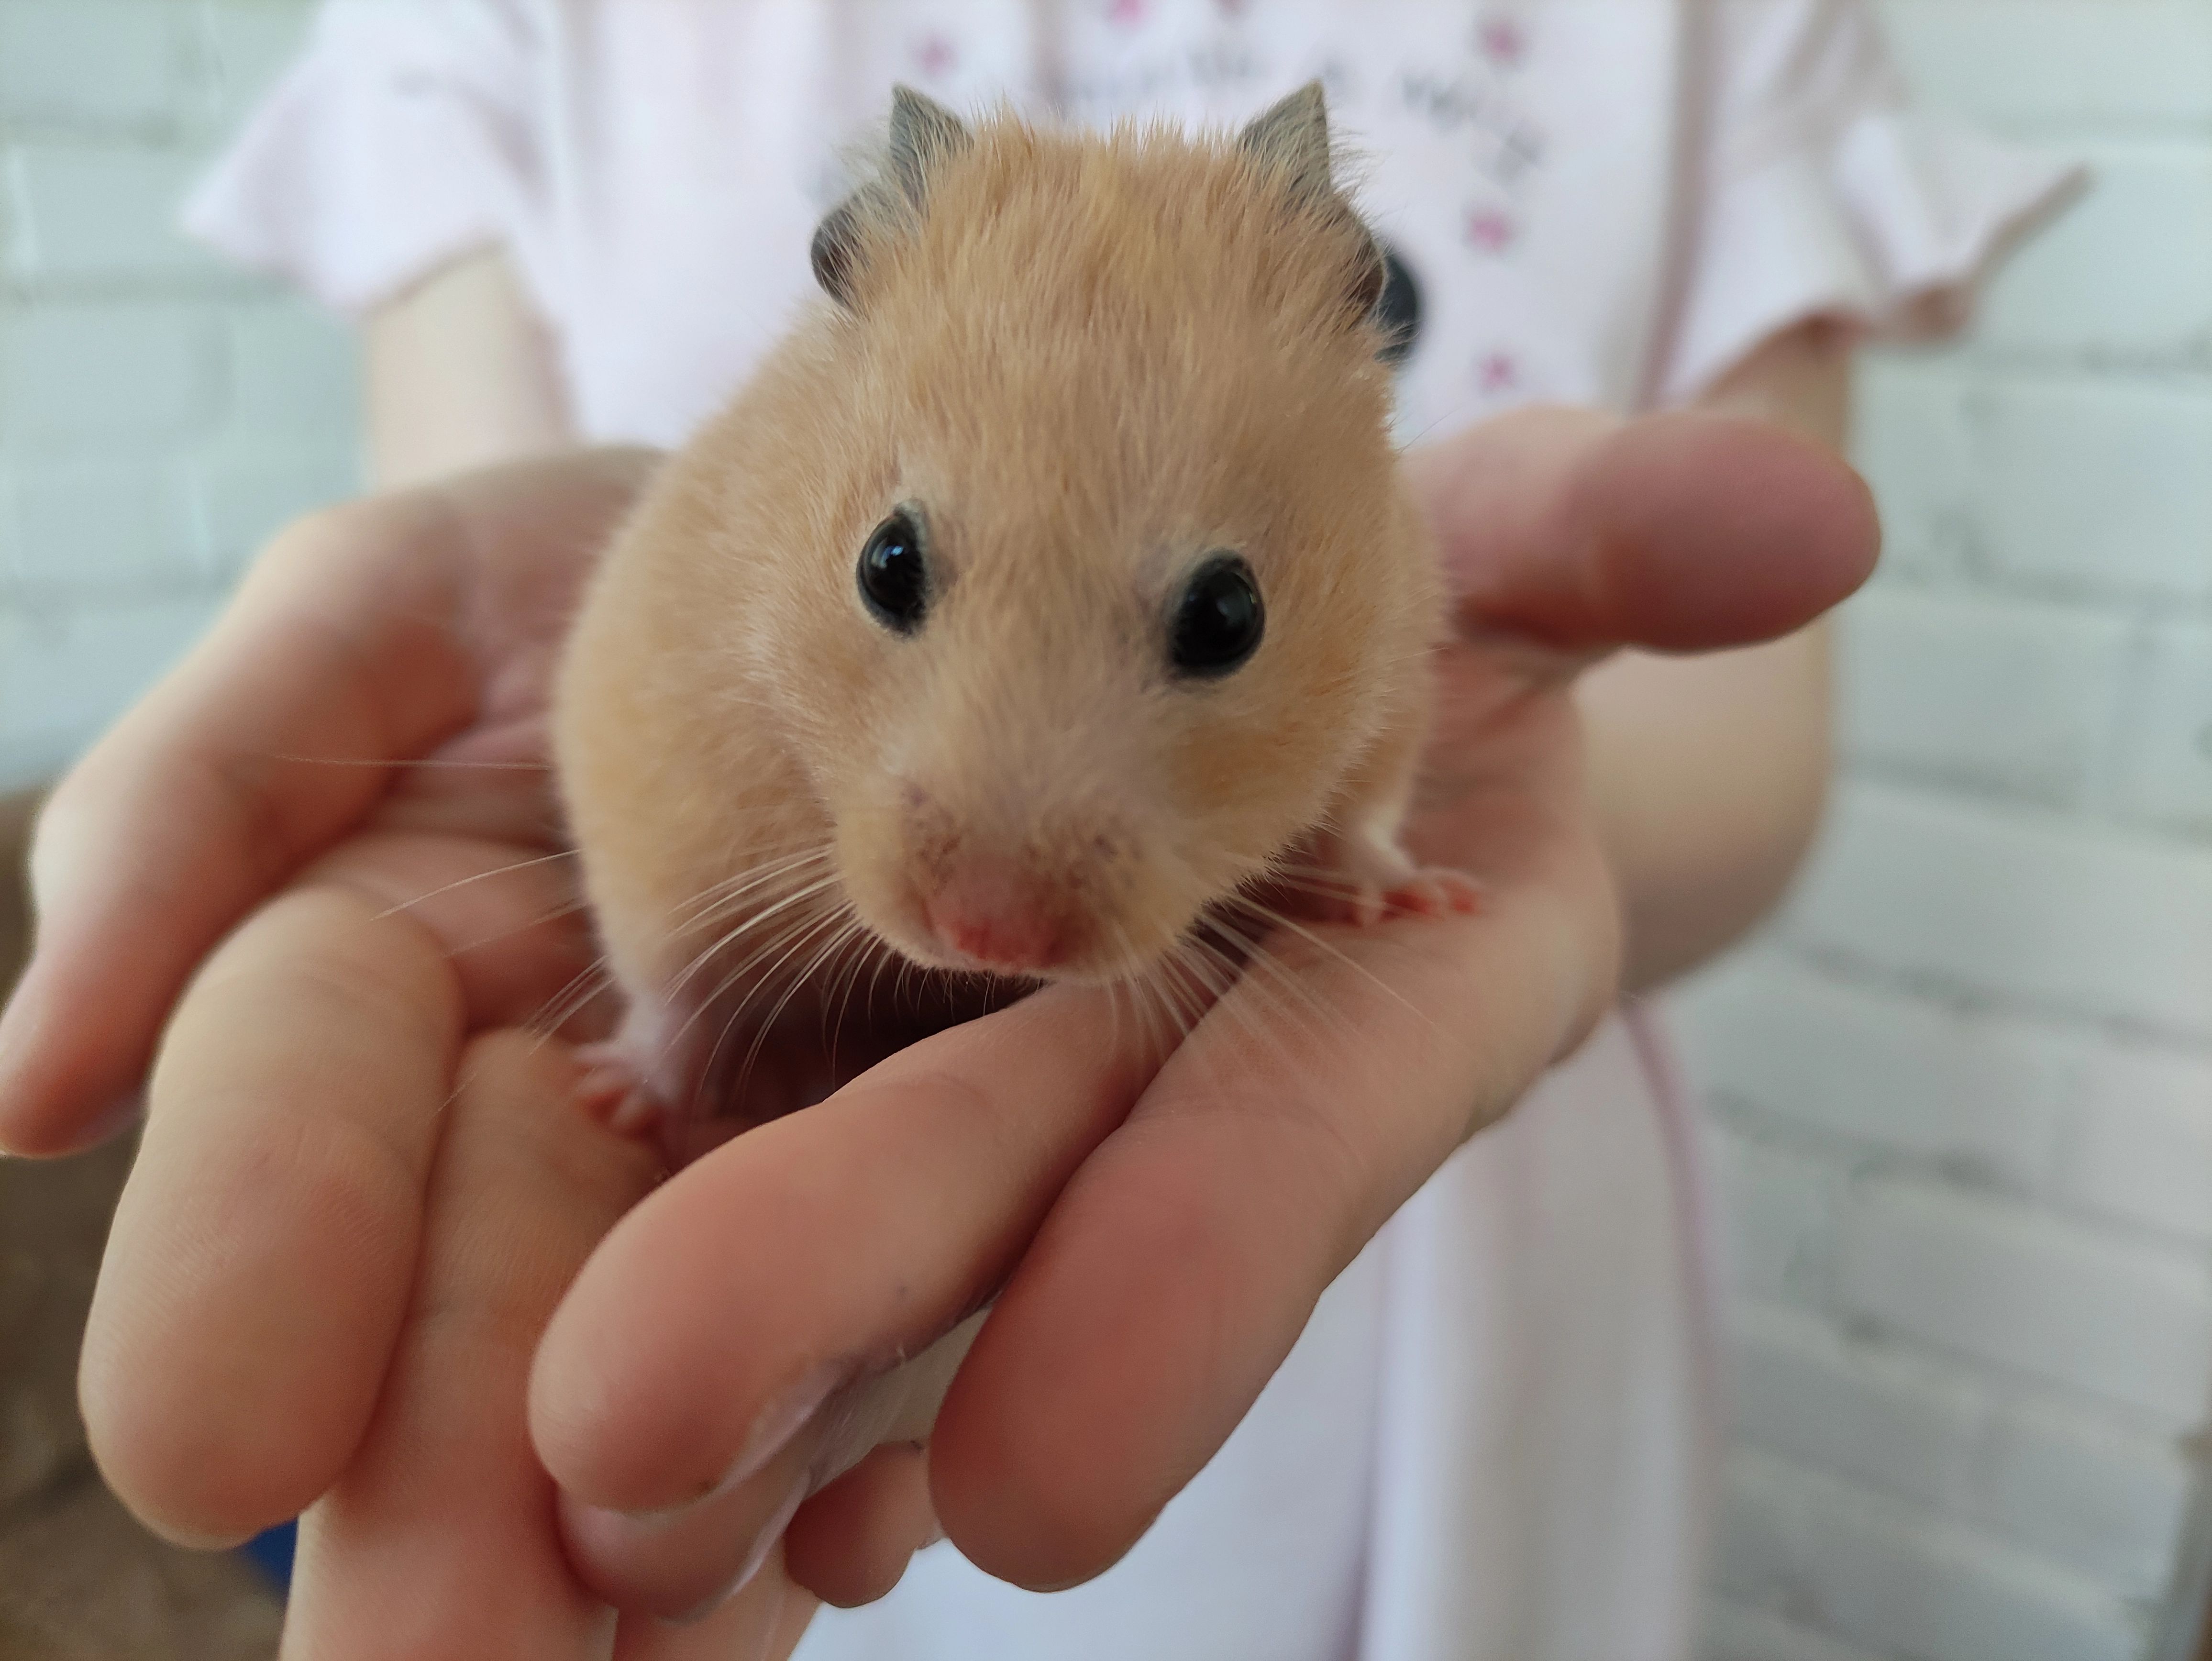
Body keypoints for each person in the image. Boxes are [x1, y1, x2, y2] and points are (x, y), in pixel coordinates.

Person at [0, 3, 2073, 1657]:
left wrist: (1351, 838)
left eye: (1215, 622)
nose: (996, 886)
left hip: (1481, 1307)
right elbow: (612, 678)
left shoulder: (1685, 80)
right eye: (893, 573)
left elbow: (1634, 726)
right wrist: (664, 1005)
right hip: (835, 1415)